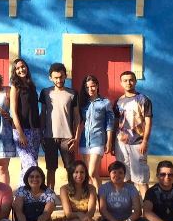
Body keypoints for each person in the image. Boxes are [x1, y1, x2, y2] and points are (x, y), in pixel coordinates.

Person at [39, 62, 79, 190]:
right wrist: (41, 135)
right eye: (56, 77)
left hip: (67, 137)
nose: (59, 80)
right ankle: (50, 195)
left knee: (70, 169)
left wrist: (76, 137)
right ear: (50, 77)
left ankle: (72, 193)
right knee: (51, 169)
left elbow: (77, 116)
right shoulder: (45, 92)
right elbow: (43, 114)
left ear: (65, 76)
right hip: (49, 137)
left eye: (61, 77)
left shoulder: (73, 93)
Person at [114, 71, 153, 199]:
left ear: (135, 81)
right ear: (121, 83)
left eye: (131, 80)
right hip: (121, 143)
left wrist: (145, 141)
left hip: (138, 143)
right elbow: (116, 123)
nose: (128, 83)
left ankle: (147, 207)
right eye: (125, 80)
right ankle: (130, 204)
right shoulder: (118, 101)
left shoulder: (143, 100)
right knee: (125, 176)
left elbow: (148, 122)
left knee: (141, 178)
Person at [75, 75, 114, 191]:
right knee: (90, 175)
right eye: (87, 87)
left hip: (98, 141)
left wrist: (109, 142)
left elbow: (110, 123)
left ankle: (100, 199)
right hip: (84, 141)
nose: (90, 89)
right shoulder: (83, 103)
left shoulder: (105, 103)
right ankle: (95, 198)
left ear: (97, 86)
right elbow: (78, 121)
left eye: (93, 86)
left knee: (91, 172)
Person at [9, 58, 41, 180]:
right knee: (31, 165)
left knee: (29, 164)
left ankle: (24, 194)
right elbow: (14, 111)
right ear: (14, 71)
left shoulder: (31, 85)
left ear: (27, 67)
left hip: (35, 130)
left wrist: (39, 131)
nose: (21, 69)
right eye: (17, 68)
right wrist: (21, 133)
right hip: (21, 130)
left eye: (23, 66)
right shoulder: (15, 86)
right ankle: (26, 194)